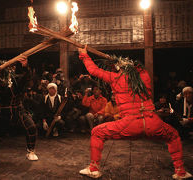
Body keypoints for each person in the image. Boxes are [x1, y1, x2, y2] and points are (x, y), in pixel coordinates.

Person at [77, 45, 192, 179]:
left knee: (97, 132)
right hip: (153, 123)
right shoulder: (144, 77)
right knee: (173, 136)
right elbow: (138, 68)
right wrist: (124, 63)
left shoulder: (115, 78)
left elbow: (94, 70)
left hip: (130, 124)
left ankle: (93, 169)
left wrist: (84, 54)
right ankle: (180, 172)